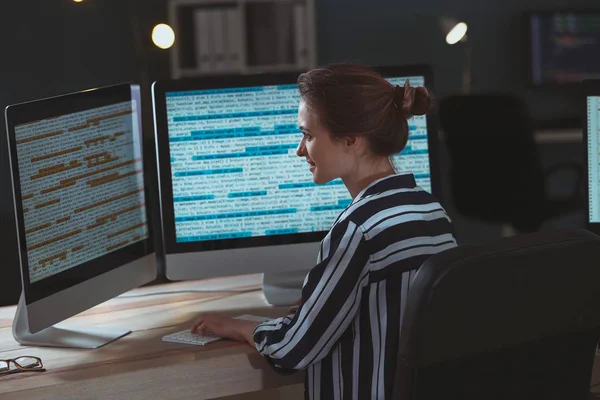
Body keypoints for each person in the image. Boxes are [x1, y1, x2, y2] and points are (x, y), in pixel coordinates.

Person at [191, 63, 457, 399]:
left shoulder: (357, 230)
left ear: (351, 140)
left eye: (309, 135)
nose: (300, 149)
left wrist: (240, 326)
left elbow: (294, 349)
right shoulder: (433, 212)